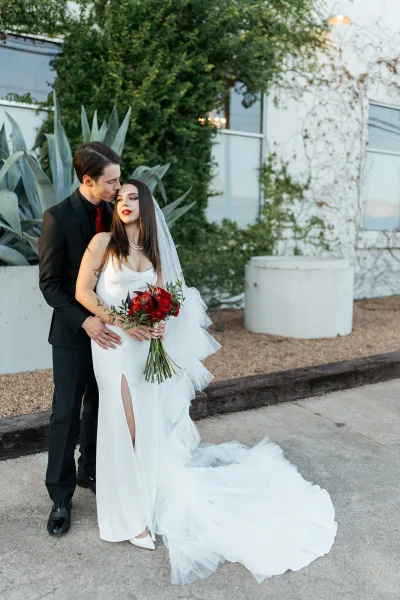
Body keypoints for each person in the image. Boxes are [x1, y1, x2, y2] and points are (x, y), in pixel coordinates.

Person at [75, 179, 337, 584]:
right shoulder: (101, 244)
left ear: (145, 206)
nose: (125, 203)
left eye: (133, 198)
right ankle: (128, 518)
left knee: (145, 425)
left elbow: (168, 300)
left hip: (146, 349)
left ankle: (145, 506)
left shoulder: (156, 253)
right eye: (120, 197)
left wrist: (158, 324)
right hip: (112, 347)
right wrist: (123, 321)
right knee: (121, 424)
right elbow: (82, 292)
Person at [39, 142, 123, 536]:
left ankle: (90, 472)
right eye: (111, 181)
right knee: (66, 413)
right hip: (73, 334)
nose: (117, 187)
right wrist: (85, 321)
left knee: (100, 407)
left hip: (111, 332)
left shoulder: (116, 214)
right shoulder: (56, 218)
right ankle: (60, 495)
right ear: (88, 180)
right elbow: (51, 286)